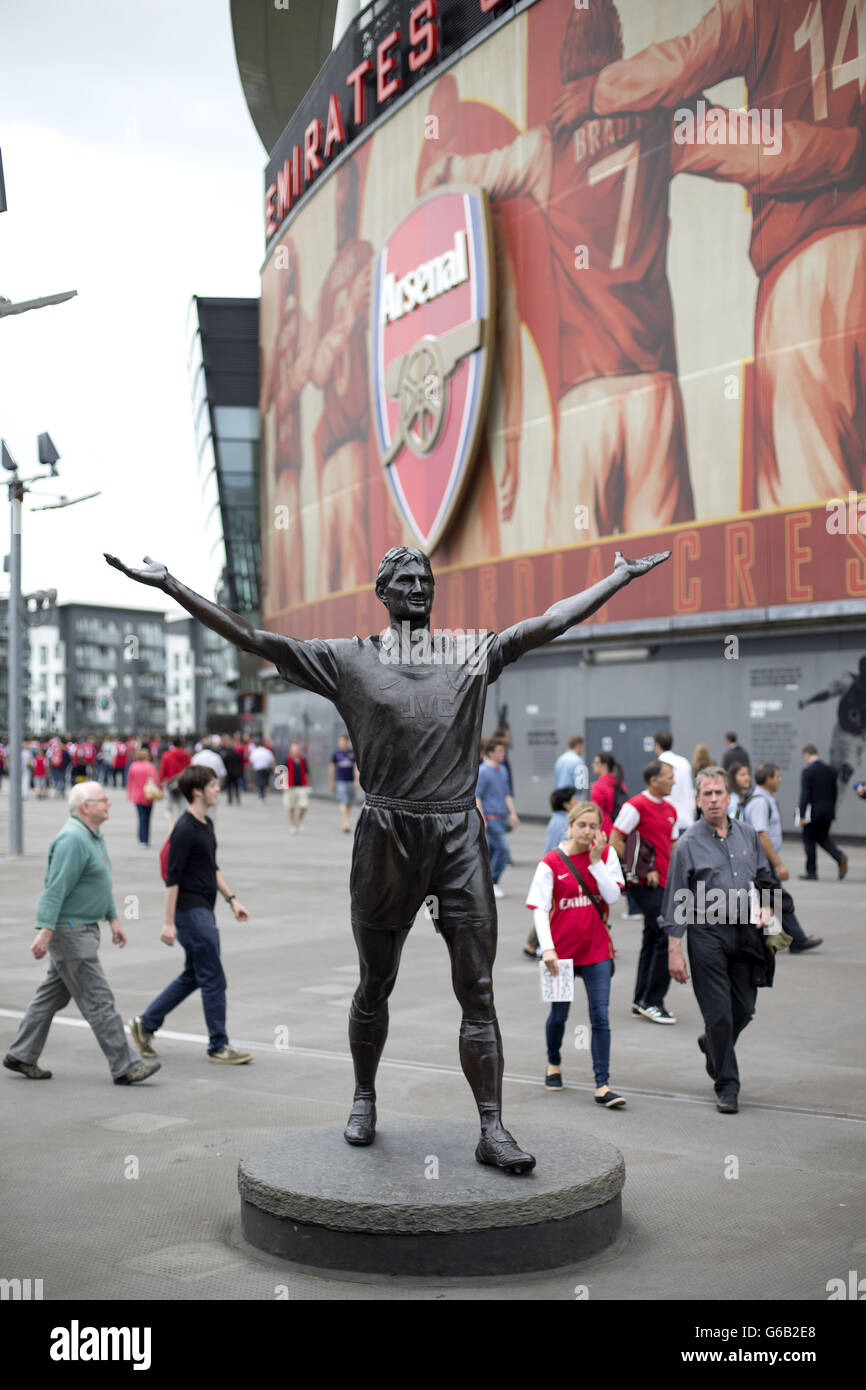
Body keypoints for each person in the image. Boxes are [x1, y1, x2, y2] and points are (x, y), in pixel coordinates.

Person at [105, 542, 669, 1173]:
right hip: (386, 835)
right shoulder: (350, 661)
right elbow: (256, 639)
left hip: (457, 834)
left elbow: (550, 620)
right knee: (376, 982)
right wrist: (172, 586)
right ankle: (364, 1095)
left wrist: (616, 580)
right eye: (402, 578)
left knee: (478, 990)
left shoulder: (470, 652)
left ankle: (492, 1126)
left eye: (424, 575)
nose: (417, 585)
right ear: (382, 593)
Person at [553, 0, 866, 510]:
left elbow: (683, 67)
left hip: (802, 273)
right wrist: (850, 151)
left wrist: (600, 92)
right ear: (615, 43)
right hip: (651, 376)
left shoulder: (547, 149)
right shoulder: (660, 123)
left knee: (812, 510)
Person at [3, 782, 159, 1085]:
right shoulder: (72, 840)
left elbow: (98, 883)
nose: (108, 804)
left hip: (84, 928)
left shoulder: (91, 836)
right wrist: (45, 931)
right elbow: (55, 889)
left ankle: (22, 1054)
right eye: (102, 800)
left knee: (51, 997)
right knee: (99, 999)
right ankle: (126, 1065)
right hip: (71, 933)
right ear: (85, 807)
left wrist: (113, 918)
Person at [660, 766, 778, 1114]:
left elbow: (764, 878)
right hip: (706, 932)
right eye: (706, 794)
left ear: (729, 797)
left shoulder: (747, 835)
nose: (713, 800)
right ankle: (727, 1083)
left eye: (718, 793)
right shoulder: (687, 845)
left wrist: (769, 910)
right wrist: (674, 951)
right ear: (697, 800)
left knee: (744, 1008)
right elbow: (676, 899)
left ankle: (712, 1043)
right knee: (719, 1014)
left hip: (745, 931)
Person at [129, 766, 252, 1066]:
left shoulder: (205, 824)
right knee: (213, 979)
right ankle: (218, 1046)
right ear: (197, 791)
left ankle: (145, 1025)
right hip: (191, 913)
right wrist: (168, 922)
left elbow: (212, 867)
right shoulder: (183, 829)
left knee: (195, 975)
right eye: (212, 785)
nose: (217, 790)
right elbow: (172, 878)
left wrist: (232, 899)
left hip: (203, 910)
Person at [527, 801, 626, 1106]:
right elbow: (540, 909)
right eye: (581, 825)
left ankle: (602, 1084)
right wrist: (547, 949)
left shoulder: (607, 856)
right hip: (562, 952)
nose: (587, 831)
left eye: (593, 826)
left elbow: (612, 896)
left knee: (600, 1015)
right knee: (559, 1014)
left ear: (601, 830)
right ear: (569, 826)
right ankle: (553, 1062)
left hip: (597, 950)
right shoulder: (552, 861)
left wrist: (596, 863)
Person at [611, 759, 678, 1025]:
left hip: (664, 882)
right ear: (654, 781)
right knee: (664, 933)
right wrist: (633, 872)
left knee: (653, 937)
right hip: (642, 884)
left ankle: (642, 1000)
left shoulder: (672, 810)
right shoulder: (635, 806)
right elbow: (616, 839)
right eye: (669, 777)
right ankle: (653, 1001)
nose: (674, 781)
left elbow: (671, 848)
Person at [745, 764, 821, 955]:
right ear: (768, 779)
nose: (780, 780)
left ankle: (785, 938)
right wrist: (777, 863)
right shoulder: (760, 802)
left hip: (763, 861)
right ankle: (796, 939)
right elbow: (761, 835)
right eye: (777, 776)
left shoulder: (765, 799)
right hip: (762, 862)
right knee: (776, 898)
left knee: (771, 899)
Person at [475, 737, 519, 899]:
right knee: (503, 850)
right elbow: (477, 796)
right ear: (490, 753)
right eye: (499, 751)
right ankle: (493, 882)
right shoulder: (483, 771)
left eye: (504, 751)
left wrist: (513, 813)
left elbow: (507, 794)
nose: (503, 754)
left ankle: (485, 883)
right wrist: (482, 818)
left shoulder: (502, 770)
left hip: (501, 817)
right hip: (491, 818)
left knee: (492, 852)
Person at [799, 745, 847, 881]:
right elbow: (835, 793)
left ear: (807, 755)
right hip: (828, 812)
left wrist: (802, 815)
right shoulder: (830, 771)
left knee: (809, 840)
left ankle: (811, 872)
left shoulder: (808, 771)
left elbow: (805, 794)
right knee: (822, 838)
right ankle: (839, 856)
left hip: (813, 812)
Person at [654, 731, 694, 831]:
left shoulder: (658, 765)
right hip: (687, 819)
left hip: (667, 822)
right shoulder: (684, 762)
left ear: (657, 746)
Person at [126, 746, 159, 847]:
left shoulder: (133, 766)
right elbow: (155, 780)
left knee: (141, 817)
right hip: (148, 794)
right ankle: (146, 838)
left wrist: (129, 794)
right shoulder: (150, 766)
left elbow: (129, 782)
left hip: (137, 795)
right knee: (148, 818)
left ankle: (141, 838)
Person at [590, 751, 627, 835]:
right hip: (619, 829)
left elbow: (597, 811)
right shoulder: (619, 782)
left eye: (596, 762)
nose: (593, 765)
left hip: (604, 831)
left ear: (604, 765)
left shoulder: (598, 786)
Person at [159, 737, 192, 825]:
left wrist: (160, 783)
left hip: (169, 784)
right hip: (183, 783)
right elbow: (190, 769)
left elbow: (162, 771)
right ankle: (180, 826)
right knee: (182, 808)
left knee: (168, 809)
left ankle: (171, 828)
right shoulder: (186, 756)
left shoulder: (166, 755)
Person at [330, 733, 359, 833]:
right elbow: (332, 769)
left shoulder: (352, 753)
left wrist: (356, 780)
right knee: (343, 801)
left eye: (343, 742)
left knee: (349, 802)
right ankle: (345, 822)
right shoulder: (336, 754)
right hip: (340, 781)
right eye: (340, 742)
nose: (342, 743)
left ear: (347, 742)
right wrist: (331, 782)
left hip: (350, 781)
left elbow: (356, 768)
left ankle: (345, 820)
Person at [283, 742, 309, 830]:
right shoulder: (287, 760)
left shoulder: (303, 760)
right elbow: (284, 773)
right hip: (290, 786)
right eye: (293, 750)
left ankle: (298, 821)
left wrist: (307, 785)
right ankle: (292, 825)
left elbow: (306, 773)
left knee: (304, 805)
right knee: (291, 807)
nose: (295, 751)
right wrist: (284, 785)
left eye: (296, 749)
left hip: (301, 786)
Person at [221, 734, 245, 805]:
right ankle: (237, 798)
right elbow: (241, 763)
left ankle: (230, 799)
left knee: (229, 787)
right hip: (236, 773)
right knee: (237, 786)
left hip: (229, 773)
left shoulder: (226, 755)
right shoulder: (237, 755)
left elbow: (224, 764)